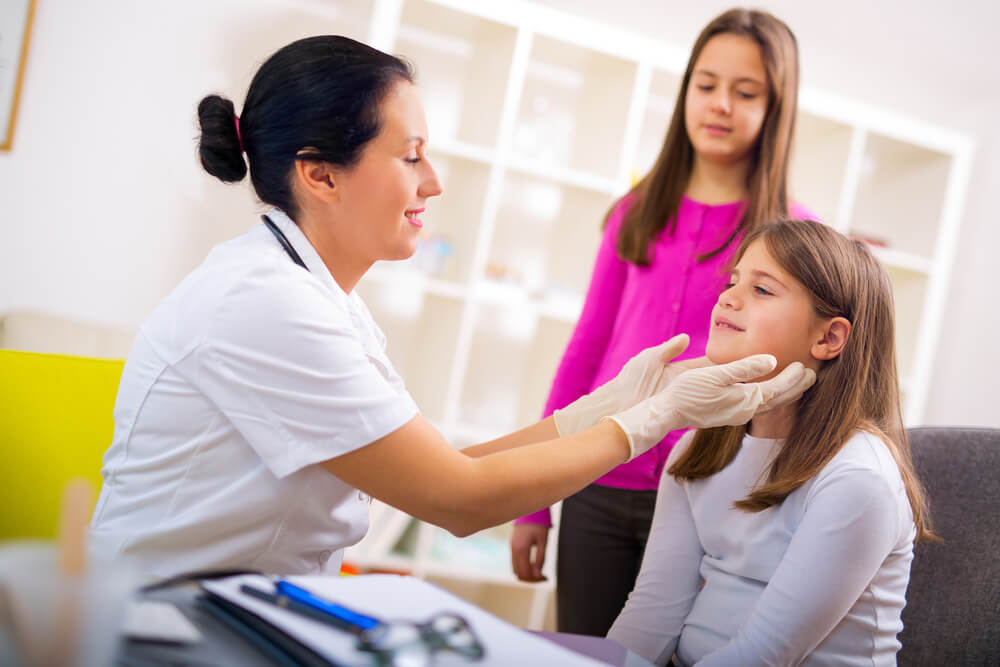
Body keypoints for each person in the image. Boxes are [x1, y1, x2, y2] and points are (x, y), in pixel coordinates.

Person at [87, 36, 815, 578]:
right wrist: (651, 418)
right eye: (410, 156)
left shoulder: (318, 298)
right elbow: (458, 498)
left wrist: (595, 412)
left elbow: (443, 463)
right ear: (319, 176)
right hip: (165, 626)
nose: (433, 182)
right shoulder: (266, 307)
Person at [511, 8, 817, 636]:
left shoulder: (795, 234)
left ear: (775, 107)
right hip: (597, 479)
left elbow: (793, 382)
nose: (721, 105)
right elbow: (586, 351)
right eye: (706, 85)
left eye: (746, 91)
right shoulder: (634, 211)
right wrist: (534, 502)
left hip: (713, 494)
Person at [607, 219, 934, 665]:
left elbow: (763, 656)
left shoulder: (858, 479)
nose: (727, 297)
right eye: (733, 280)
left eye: (762, 290)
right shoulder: (697, 451)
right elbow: (651, 614)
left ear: (829, 337)